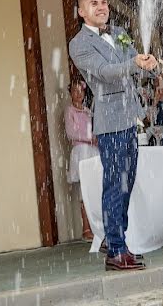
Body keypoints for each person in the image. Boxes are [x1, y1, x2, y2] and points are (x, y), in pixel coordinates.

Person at [68, 0, 163, 272]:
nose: (102, 7)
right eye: (93, 3)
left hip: (130, 119)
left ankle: (120, 243)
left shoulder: (118, 32)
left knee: (126, 185)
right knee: (115, 185)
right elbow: (104, 73)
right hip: (110, 122)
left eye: (103, 2)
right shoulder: (79, 44)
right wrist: (134, 62)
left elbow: (137, 62)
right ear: (81, 11)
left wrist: (156, 67)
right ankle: (115, 249)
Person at [65, 78, 98, 241]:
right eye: (75, 91)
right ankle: (86, 228)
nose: (78, 94)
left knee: (94, 187)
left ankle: (96, 225)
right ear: (71, 93)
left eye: (81, 91)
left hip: (92, 149)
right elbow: (71, 133)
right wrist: (88, 138)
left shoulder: (87, 110)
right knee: (83, 189)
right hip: (81, 150)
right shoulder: (70, 111)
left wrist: (95, 138)